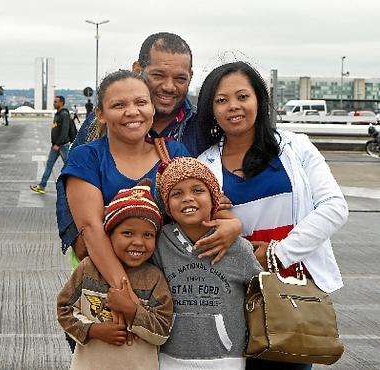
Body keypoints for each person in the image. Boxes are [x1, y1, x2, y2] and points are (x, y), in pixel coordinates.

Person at [195, 61, 348, 370]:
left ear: (259, 100)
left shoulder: (296, 147)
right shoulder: (204, 164)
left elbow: (334, 207)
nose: (233, 107)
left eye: (242, 96)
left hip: (291, 294)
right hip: (232, 296)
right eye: (221, 100)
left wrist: (279, 254)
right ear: (210, 109)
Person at [57, 32, 240, 264]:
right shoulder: (101, 123)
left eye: (180, 79)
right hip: (103, 259)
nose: (169, 86)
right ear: (137, 68)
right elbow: (71, 188)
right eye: (158, 75)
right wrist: (80, 239)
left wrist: (229, 220)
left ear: (191, 77)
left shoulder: (202, 126)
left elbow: (212, 187)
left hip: (173, 265)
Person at [153, 157, 262, 369]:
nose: (187, 198)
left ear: (214, 199)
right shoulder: (160, 244)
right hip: (169, 357)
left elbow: (259, 294)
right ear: (167, 205)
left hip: (226, 358)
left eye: (197, 190)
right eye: (176, 193)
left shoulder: (238, 247)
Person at [57, 182, 173, 370]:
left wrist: (132, 311)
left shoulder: (154, 279)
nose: (138, 242)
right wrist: (93, 330)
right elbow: (64, 309)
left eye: (148, 235)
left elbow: (163, 330)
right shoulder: (87, 269)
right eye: (127, 233)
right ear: (109, 235)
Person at [30, 96, 72, 194]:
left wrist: (58, 144)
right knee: (49, 165)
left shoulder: (64, 114)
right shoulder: (58, 113)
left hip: (62, 145)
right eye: (54, 102)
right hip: (56, 146)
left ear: (61, 103)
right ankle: (42, 186)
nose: (54, 103)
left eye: (56, 102)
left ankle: (76, 187)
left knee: (69, 166)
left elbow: (64, 131)